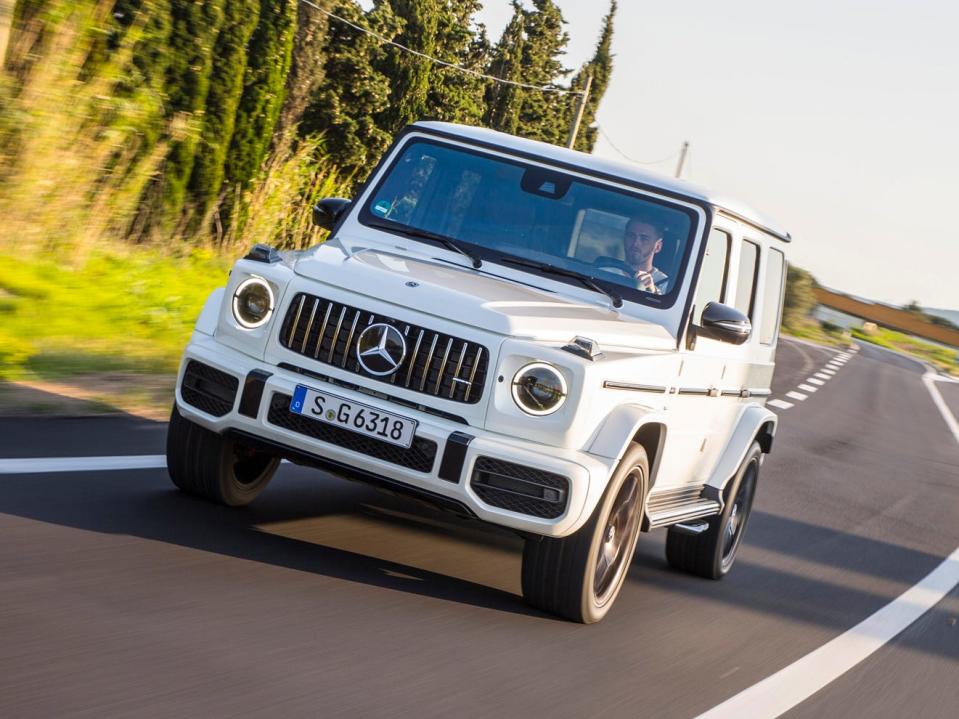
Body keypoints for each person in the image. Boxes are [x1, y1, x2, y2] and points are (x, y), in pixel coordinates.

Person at [623, 216, 669, 294]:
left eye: (644, 239)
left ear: (657, 246)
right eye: (631, 236)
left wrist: (653, 291)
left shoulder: (666, 285)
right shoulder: (604, 270)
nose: (635, 243)